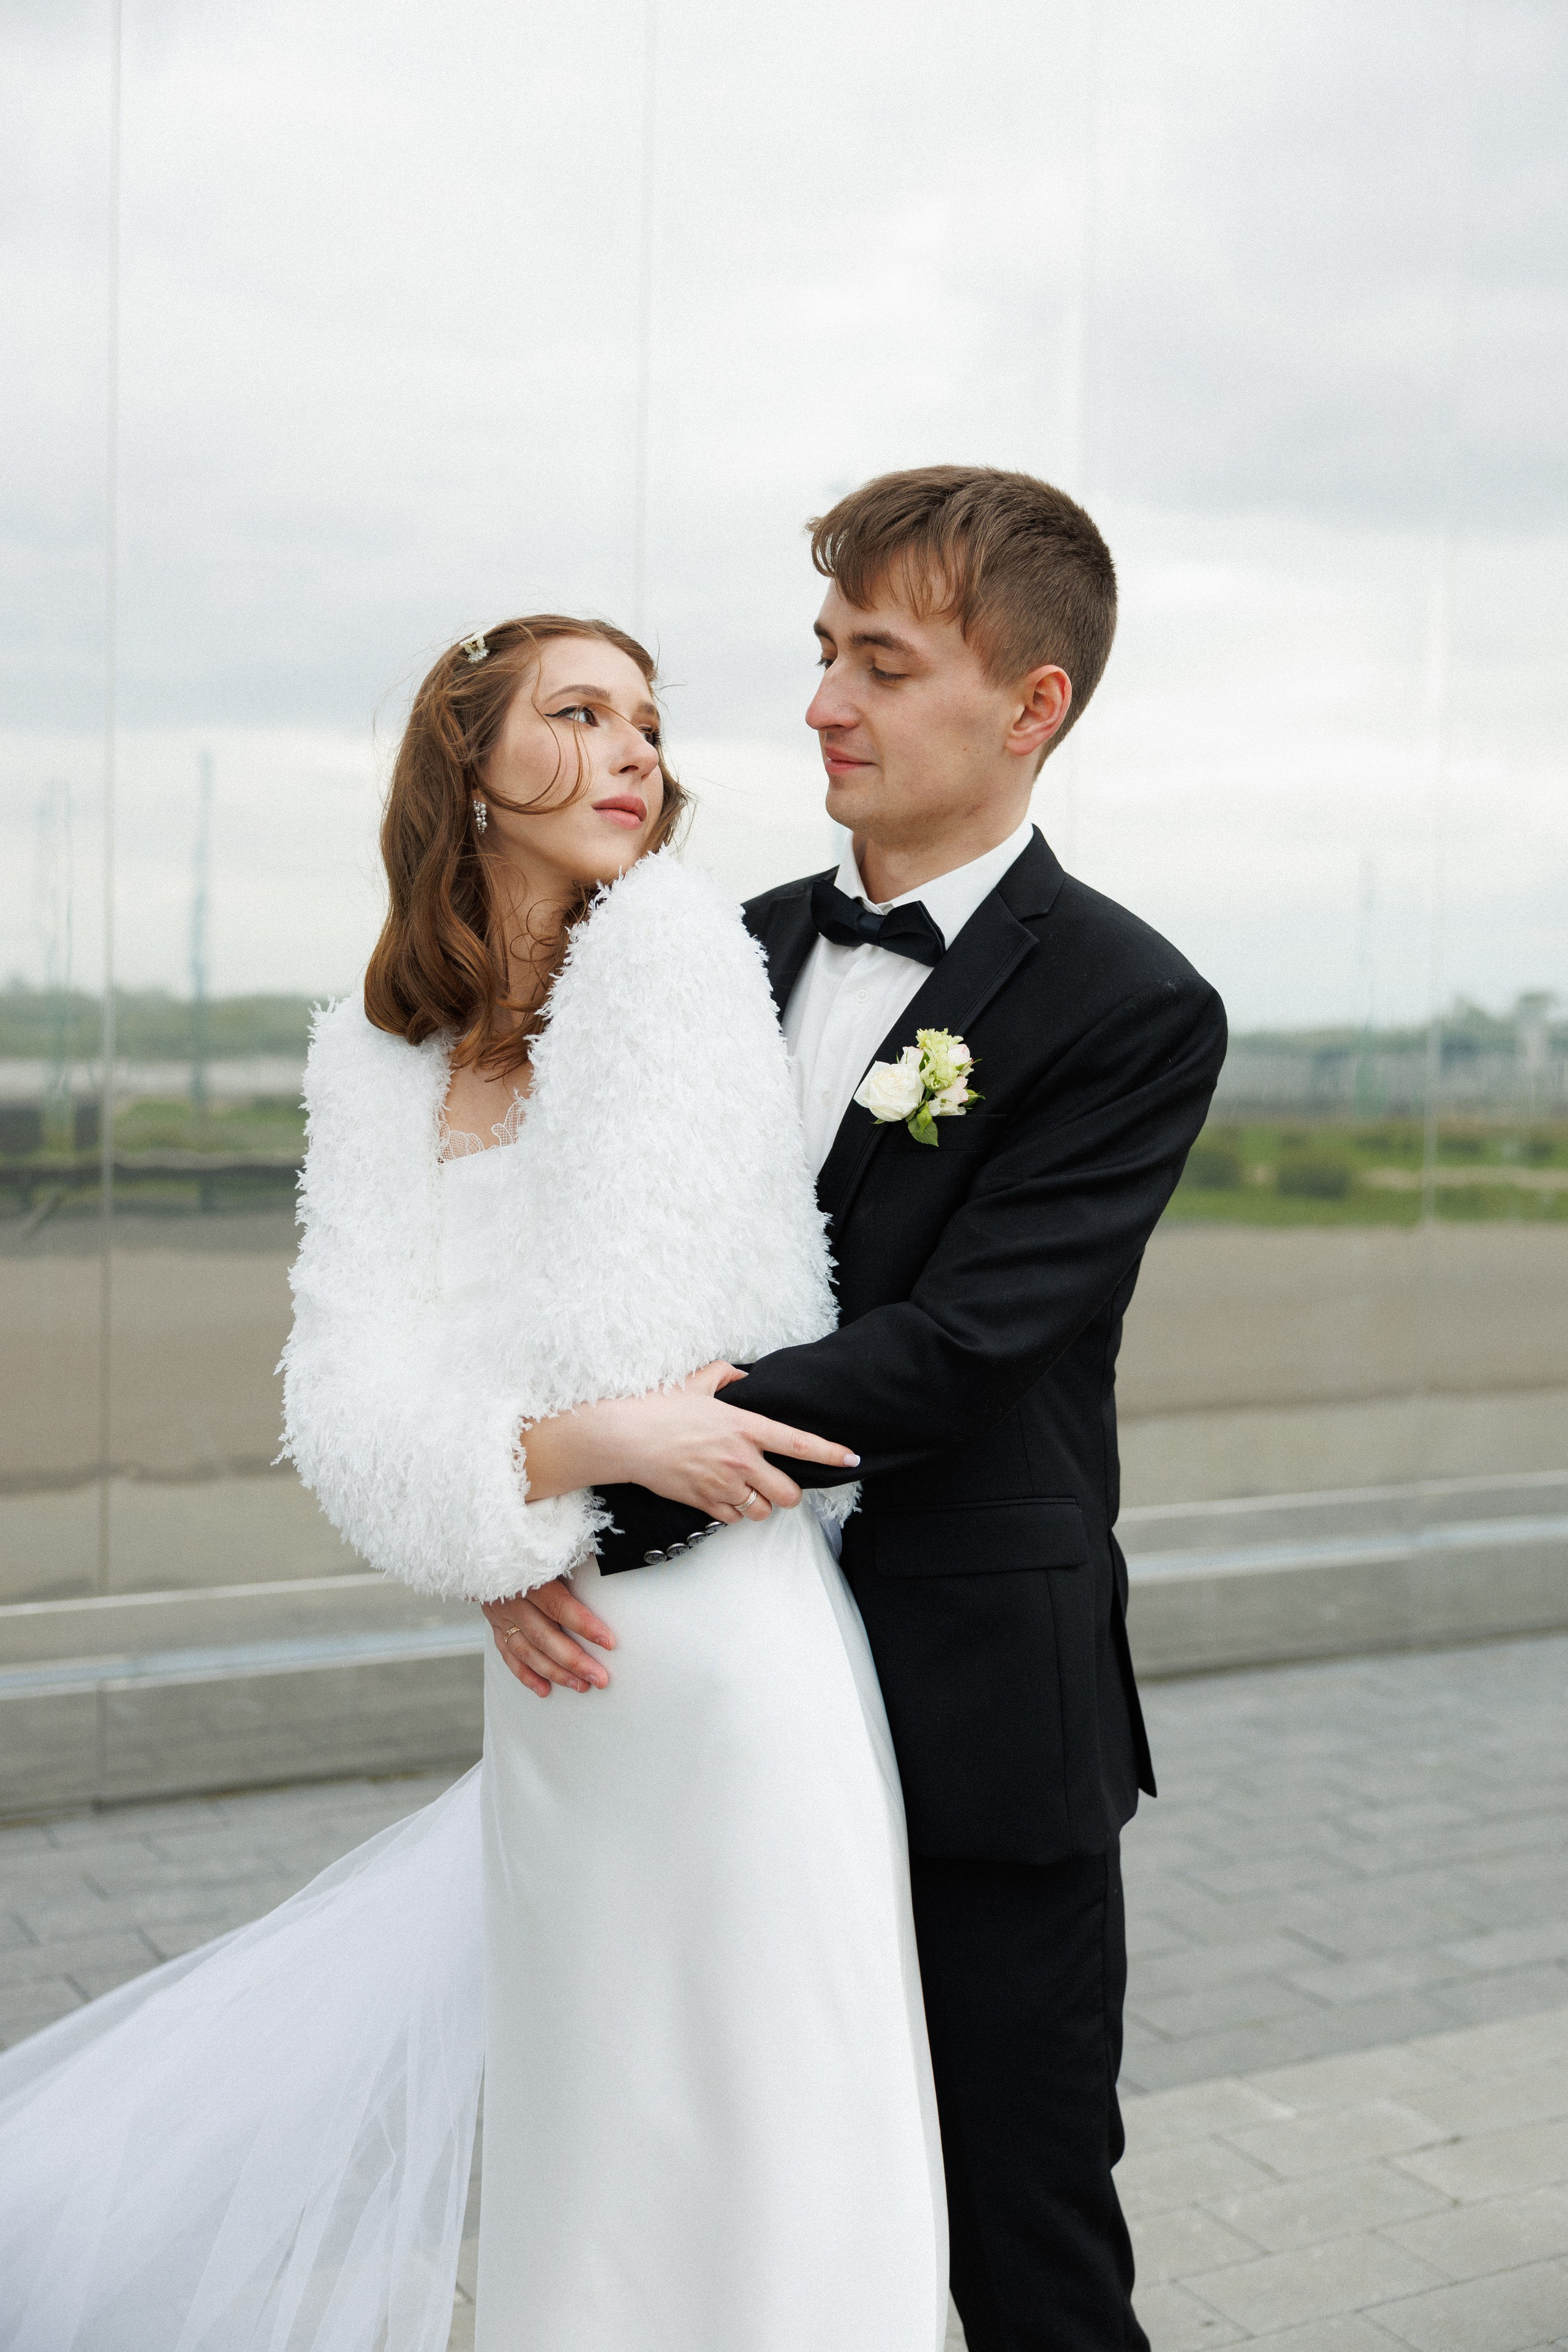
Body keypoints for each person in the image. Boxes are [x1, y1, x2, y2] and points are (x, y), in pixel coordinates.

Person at [0, 614, 948, 2352]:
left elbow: (664, 1335)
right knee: (591, 2136)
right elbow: (348, 1403)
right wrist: (523, 1505)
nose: (633, 750)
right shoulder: (373, 1062)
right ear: (470, 763)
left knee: (776, 2119)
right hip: (558, 1665)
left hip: (728, 1644)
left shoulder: (675, 968)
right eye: (577, 713)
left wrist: (507, 1481)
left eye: (646, 721)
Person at [490, 470, 1228, 2352]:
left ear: (1034, 703)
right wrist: (502, 1496)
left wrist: (593, 1491)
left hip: (974, 1714)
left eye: (882, 665)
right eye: (824, 652)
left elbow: (966, 1349)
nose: (823, 702)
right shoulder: (700, 952)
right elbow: (557, 1267)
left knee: (1024, 2235)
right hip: (702, 1710)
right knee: (721, 2209)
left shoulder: (1136, 1005)